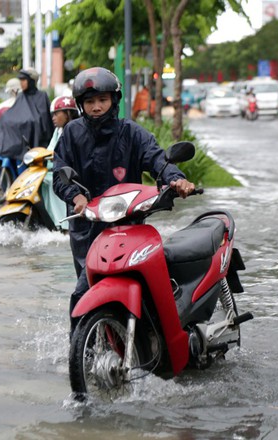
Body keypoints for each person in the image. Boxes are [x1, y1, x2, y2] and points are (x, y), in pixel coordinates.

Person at [52, 67, 196, 334]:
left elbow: (157, 160)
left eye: (102, 100)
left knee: (155, 285)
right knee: (84, 290)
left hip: (128, 228)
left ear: (113, 101)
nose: (96, 107)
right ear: (81, 106)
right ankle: (82, 348)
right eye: (90, 102)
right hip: (87, 230)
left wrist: (175, 179)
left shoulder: (132, 133)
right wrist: (77, 196)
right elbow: (60, 175)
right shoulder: (71, 134)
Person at [0, 68, 53, 170]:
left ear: (31, 81)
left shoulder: (42, 96)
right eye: (20, 80)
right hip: (21, 142)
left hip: (37, 143)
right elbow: (13, 115)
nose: (21, 83)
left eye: (24, 80)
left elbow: (43, 122)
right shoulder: (20, 97)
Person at [43, 96, 80, 230]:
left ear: (68, 113)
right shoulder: (58, 131)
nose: (53, 118)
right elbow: (50, 150)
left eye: (56, 114)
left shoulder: (74, 130)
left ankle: (63, 224)